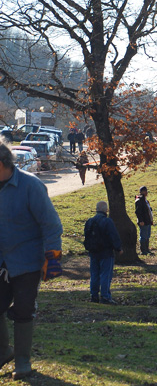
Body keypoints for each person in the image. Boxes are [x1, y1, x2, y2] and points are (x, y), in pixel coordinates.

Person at [0, 136, 63, 379]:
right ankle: (4, 351)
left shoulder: (31, 186)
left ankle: (23, 362)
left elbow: (51, 225)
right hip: (1, 262)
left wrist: (53, 258)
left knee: (24, 310)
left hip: (27, 261)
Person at [84, 201, 122, 305]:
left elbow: (86, 236)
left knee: (94, 274)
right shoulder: (107, 222)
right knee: (105, 274)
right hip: (106, 252)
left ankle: (94, 295)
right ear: (106, 210)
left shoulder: (90, 221)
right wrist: (118, 248)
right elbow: (113, 236)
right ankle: (105, 296)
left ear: (96, 209)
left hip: (93, 252)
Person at [135, 186, 154, 255]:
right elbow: (138, 212)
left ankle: (147, 249)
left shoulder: (145, 200)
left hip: (148, 220)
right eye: (145, 191)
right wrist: (141, 220)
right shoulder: (139, 201)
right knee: (143, 236)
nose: (146, 192)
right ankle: (143, 250)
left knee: (147, 235)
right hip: (143, 221)